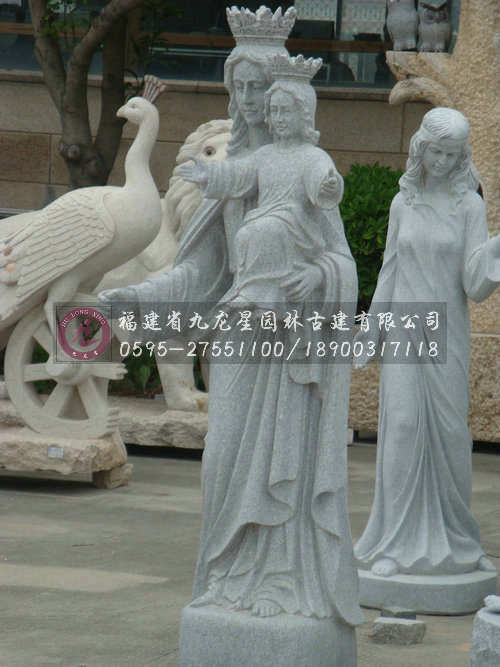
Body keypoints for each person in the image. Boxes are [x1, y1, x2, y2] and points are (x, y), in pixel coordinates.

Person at [99, 7, 363, 626]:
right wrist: (141, 297)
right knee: (222, 461)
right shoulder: (233, 171)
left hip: (292, 342)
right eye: (237, 86)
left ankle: (283, 580)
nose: (246, 101)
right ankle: (227, 582)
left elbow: (340, 260)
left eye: (257, 88)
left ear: (282, 96)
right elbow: (200, 273)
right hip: (240, 331)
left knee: (283, 466)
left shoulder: (303, 165)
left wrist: (318, 278)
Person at [354, 107, 500, 577]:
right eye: (436, 151)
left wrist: (495, 251)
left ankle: (458, 539)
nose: (442, 161)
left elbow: (474, 284)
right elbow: (390, 270)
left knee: (452, 433)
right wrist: (371, 329)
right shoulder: (405, 203)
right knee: (401, 427)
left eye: (452, 154)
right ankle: (394, 544)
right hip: (403, 328)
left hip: (447, 333)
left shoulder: (469, 206)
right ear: (421, 147)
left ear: (462, 157)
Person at [180, 55, 344, 315]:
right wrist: (209, 174)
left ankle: (263, 296)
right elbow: (237, 174)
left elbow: (323, 180)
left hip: (293, 231)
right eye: (274, 111)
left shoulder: (313, 156)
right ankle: (249, 291)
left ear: (304, 115)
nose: (279, 118)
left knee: (269, 230)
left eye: (286, 111)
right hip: (258, 228)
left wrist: (329, 187)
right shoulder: (265, 155)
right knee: (251, 234)